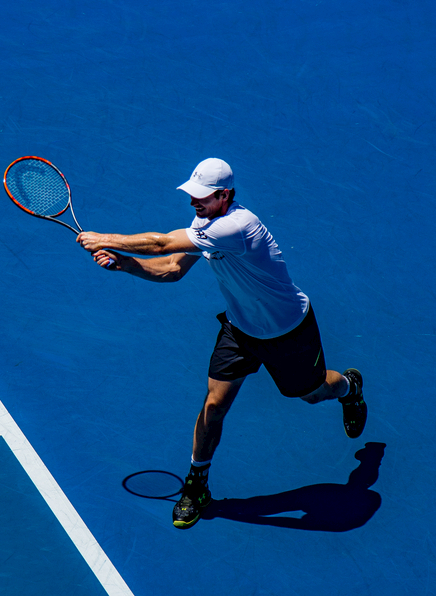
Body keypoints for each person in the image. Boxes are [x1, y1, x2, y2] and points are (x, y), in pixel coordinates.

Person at [76, 158, 367, 529]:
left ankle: (349, 387)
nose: (194, 202)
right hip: (240, 329)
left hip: (288, 331)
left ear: (225, 195)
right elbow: (172, 268)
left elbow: (161, 243)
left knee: (310, 393)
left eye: (202, 196)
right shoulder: (205, 223)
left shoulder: (237, 226)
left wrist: (103, 238)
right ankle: (197, 485)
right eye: (191, 195)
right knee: (214, 405)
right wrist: (125, 264)